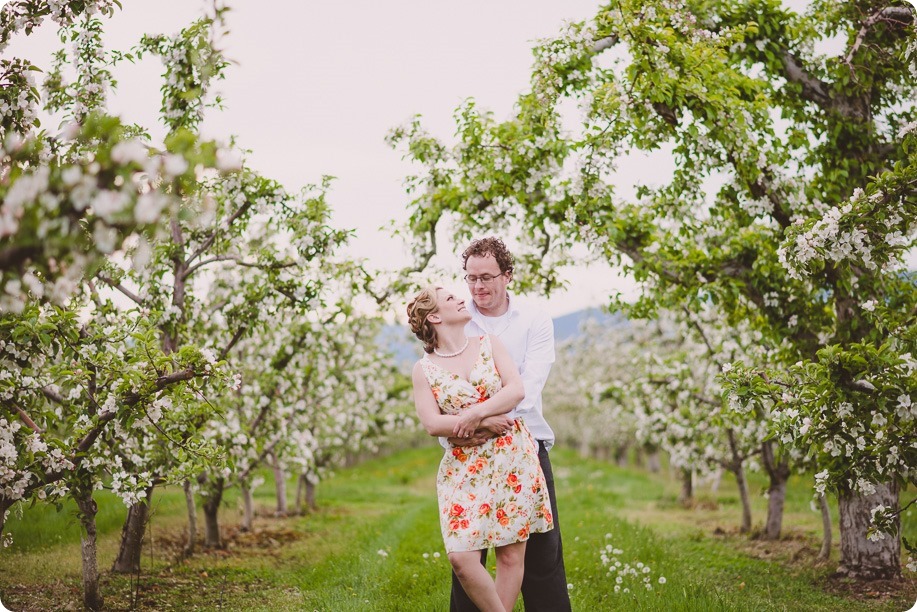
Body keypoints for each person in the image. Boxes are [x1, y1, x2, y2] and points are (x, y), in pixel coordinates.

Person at [408, 285, 554, 612]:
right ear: (434, 316)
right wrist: (486, 421)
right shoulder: (424, 369)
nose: (462, 298)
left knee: (511, 555)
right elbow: (433, 424)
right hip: (463, 466)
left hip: (511, 456)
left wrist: (473, 414)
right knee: (461, 558)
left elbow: (515, 390)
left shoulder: (490, 344)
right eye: (450, 299)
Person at [449, 237, 571, 612]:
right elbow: (448, 384)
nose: (477, 287)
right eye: (470, 278)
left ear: (508, 276)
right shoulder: (456, 319)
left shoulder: (535, 320)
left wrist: (476, 419)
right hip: (469, 450)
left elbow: (528, 390)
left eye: (486, 277)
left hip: (526, 447)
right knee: (468, 556)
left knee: (541, 555)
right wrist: (475, 427)